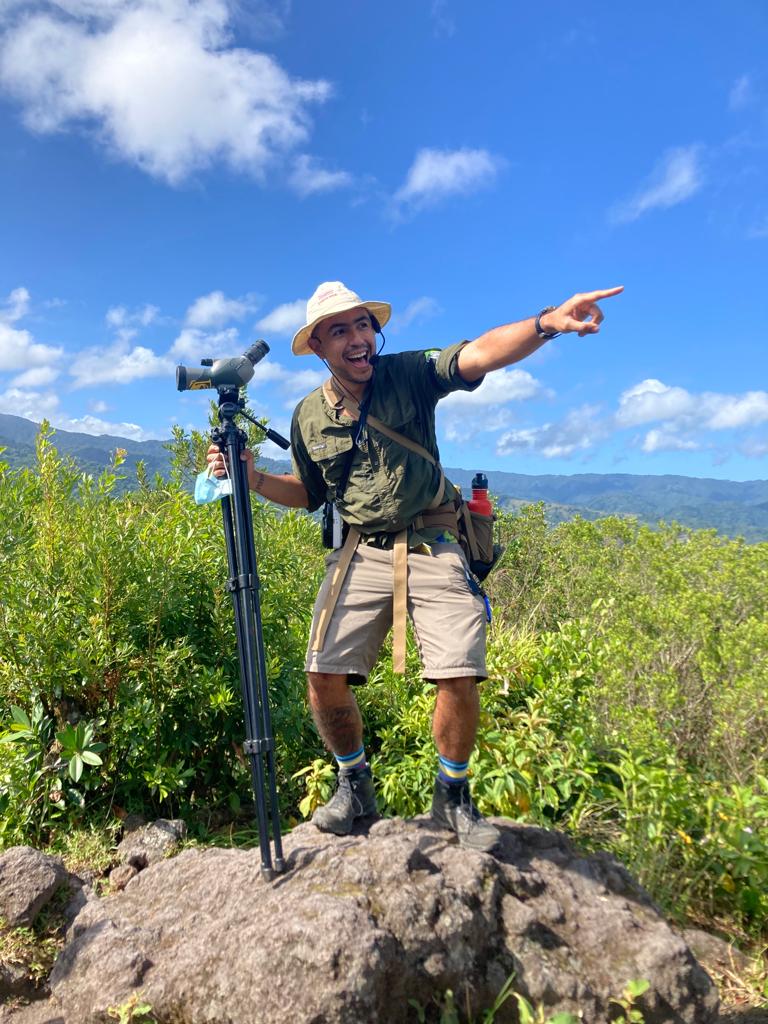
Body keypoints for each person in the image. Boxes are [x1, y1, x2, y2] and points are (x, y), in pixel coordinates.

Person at [207, 279, 623, 851]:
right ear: (320, 348)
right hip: (359, 549)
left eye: (362, 326)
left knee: (458, 669)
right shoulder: (308, 415)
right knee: (322, 676)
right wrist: (250, 476)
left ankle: (451, 794)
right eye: (339, 331)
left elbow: (476, 353)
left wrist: (547, 323)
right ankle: (354, 782)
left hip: (432, 538)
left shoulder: (408, 373)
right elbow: (308, 493)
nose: (357, 339)